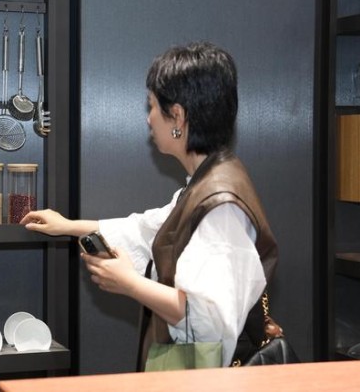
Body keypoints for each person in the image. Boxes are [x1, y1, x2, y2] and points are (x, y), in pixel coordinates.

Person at [20, 41, 278, 369]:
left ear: (177, 116)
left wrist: (130, 284)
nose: (148, 119)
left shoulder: (222, 205)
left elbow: (208, 318)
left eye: (152, 106)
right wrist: (68, 226)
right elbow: (151, 228)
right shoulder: (210, 178)